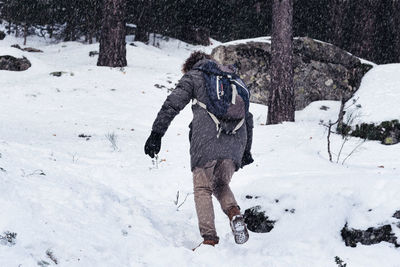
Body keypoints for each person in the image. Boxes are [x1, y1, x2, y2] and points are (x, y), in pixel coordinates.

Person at [144, 51, 254, 246]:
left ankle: (209, 239)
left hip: (206, 139)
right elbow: (249, 117)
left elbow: (173, 104)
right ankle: (234, 214)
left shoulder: (194, 75)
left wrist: (156, 133)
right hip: (237, 140)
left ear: (191, 65)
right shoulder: (231, 78)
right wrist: (246, 151)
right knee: (220, 184)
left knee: (203, 187)